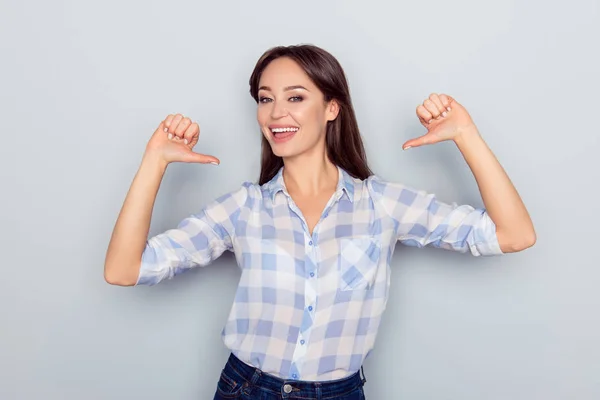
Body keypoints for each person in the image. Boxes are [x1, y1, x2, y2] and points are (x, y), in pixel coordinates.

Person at [104, 44, 536, 400]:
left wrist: (466, 135)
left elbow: (514, 235)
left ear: (331, 108)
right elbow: (124, 270)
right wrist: (154, 162)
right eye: (266, 98)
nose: (276, 113)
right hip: (246, 389)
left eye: (295, 97)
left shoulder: (382, 204)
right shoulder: (244, 208)